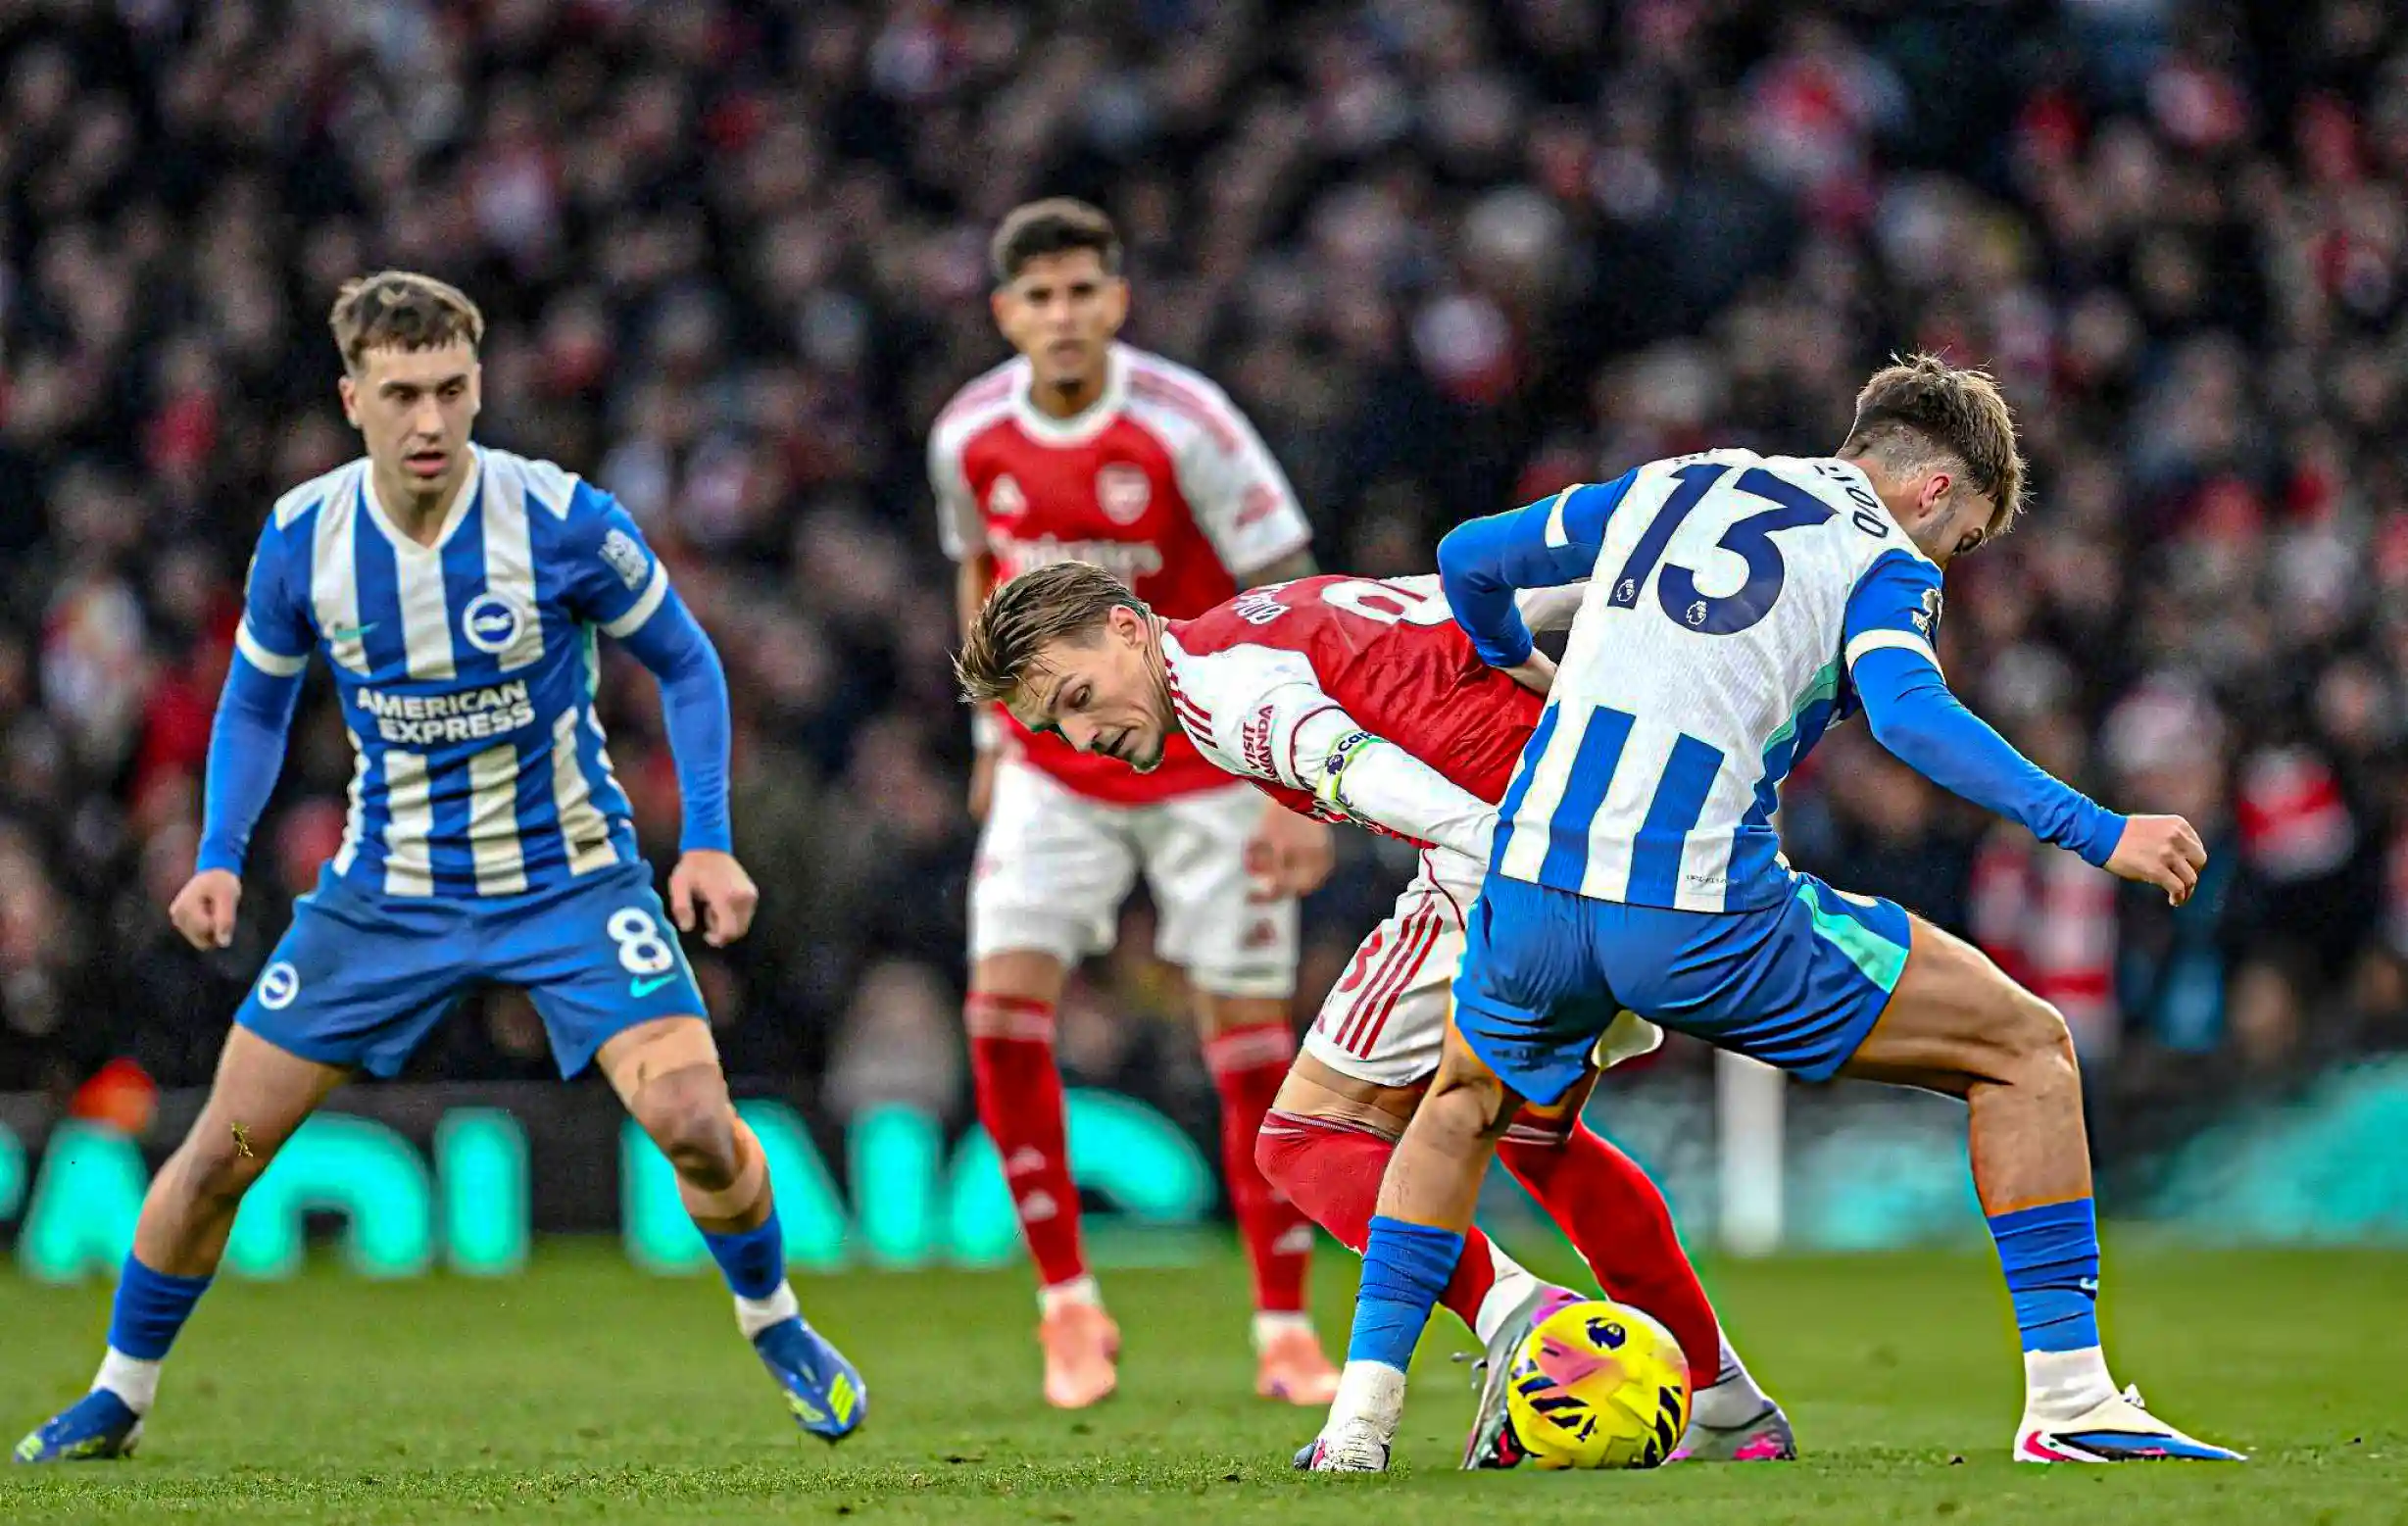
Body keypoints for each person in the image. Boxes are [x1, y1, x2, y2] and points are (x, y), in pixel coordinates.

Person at [1298, 356, 2244, 1469]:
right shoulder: (1886, 557)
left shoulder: (1676, 482)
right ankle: (2074, 1401)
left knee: (1458, 1108)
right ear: (1935, 490)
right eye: (1969, 539)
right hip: (1693, 909)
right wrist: (2098, 830)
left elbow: (1466, 560)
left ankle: (1356, 1428)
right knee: (2025, 1048)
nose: (1956, 563)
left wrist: (1527, 671)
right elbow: (1908, 714)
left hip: (1533, 885)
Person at [15, 272, 864, 1464]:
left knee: (697, 1125)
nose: (430, 421)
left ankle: (774, 1321)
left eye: (453, 390)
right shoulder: (303, 537)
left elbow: (688, 664)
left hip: (571, 881)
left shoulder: (562, 520)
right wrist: (218, 856)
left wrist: (710, 838)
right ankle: (119, 1392)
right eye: (403, 393)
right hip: (384, 899)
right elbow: (255, 706)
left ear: (480, 387)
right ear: (351, 396)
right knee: (219, 1154)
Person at [952, 562, 1794, 1465]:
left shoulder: (1220, 691)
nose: (1082, 734)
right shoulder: (1270, 613)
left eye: (1078, 696)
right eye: (1054, 725)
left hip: (1509, 850)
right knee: (1535, 1132)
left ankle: (1526, 1319)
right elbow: (1481, 595)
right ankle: (1724, 1402)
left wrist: (1498, 848)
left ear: (1126, 627)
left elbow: (1349, 764)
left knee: (1305, 1136)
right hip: (1617, 826)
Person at [931, 198, 1338, 1407]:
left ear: (1117, 300)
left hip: (1209, 759)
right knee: (1000, 1007)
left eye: (1081, 292)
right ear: (1006, 314)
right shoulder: (968, 433)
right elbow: (978, 577)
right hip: (1053, 764)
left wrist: (1297, 783)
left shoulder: (1188, 424)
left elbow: (1292, 588)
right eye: (1037, 298)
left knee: (1246, 1039)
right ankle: (1066, 1307)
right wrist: (987, 735)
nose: (1061, 317)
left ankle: (1282, 1330)